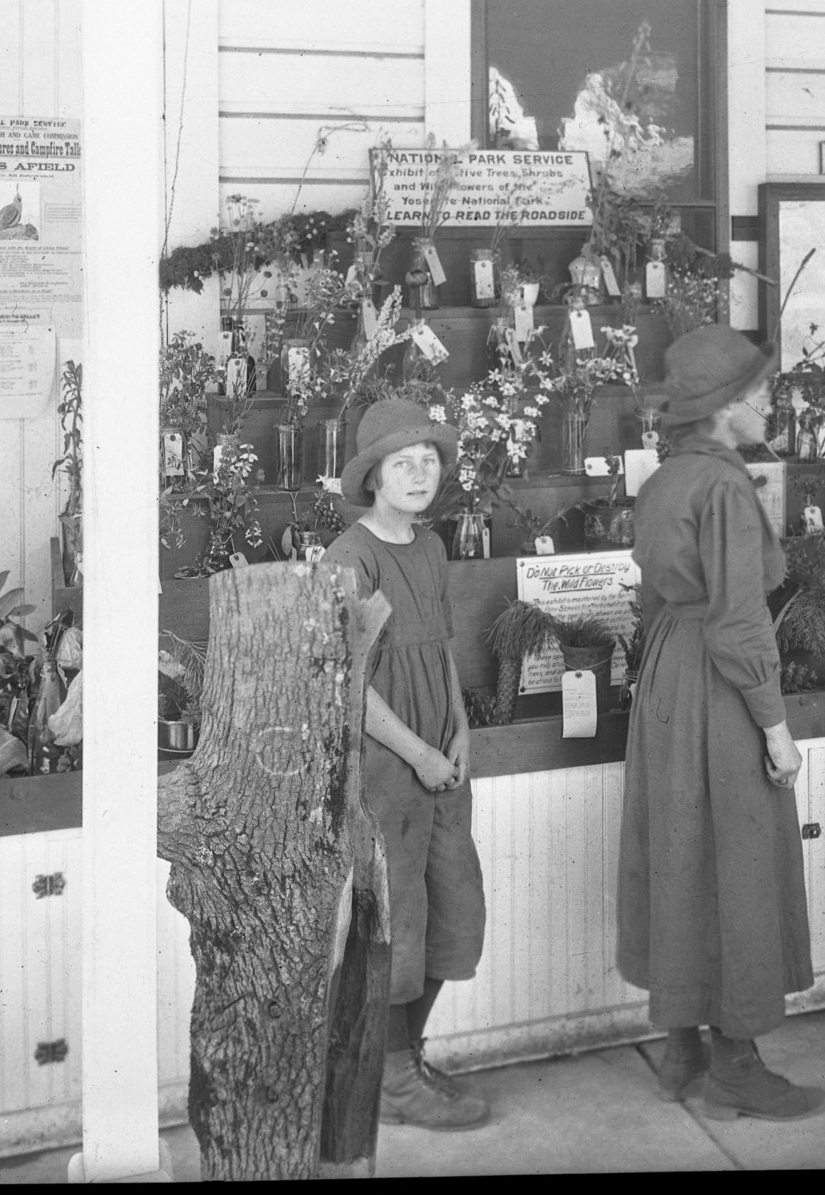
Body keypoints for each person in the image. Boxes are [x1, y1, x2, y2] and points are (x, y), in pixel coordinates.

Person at [617, 323, 825, 1122]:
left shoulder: (668, 479)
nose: (768, 402)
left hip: (669, 672)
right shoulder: (727, 488)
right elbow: (740, 624)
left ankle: (681, 1048)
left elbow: (661, 599)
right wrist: (774, 729)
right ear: (727, 409)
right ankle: (735, 1064)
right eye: (759, 392)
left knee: (680, 850)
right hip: (718, 679)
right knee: (738, 859)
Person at [322, 400, 490, 1131]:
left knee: (454, 908)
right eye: (403, 463)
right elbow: (344, 686)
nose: (421, 474)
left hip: (439, 760)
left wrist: (458, 735)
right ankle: (389, 1081)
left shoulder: (429, 547)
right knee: (396, 924)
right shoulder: (348, 558)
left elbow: (440, 649)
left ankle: (407, 1058)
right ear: (373, 478)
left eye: (429, 460)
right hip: (384, 766)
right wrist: (418, 752)